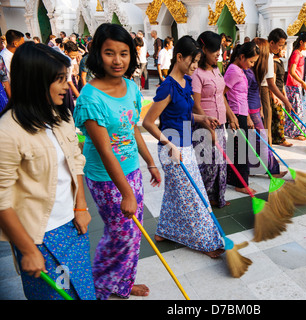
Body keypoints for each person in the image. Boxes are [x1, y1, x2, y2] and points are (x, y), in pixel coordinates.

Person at [0, 42, 96, 300]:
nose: (67, 85)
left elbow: (75, 160)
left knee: (83, 292)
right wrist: (28, 249)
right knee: (56, 296)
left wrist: (81, 207)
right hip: (39, 236)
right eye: (60, 79)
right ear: (36, 81)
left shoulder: (60, 115)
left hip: (73, 227)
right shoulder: (8, 132)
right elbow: (2, 200)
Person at [73, 23, 161, 300]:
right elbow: (105, 150)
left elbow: (133, 130)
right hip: (105, 178)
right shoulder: (90, 98)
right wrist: (126, 193)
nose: (118, 60)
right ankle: (99, 285)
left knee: (133, 233)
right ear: (98, 54)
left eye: (124, 53)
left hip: (131, 170)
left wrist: (150, 163)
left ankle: (121, 284)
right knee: (119, 235)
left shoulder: (131, 88)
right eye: (110, 53)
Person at [143, 35, 225, 258]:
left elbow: (184, 113)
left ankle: (164, 231)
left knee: (175, 193)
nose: (196, 66)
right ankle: (206, 242)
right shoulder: (167, 88)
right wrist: (169, 145)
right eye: (194, 61)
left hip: (186, 146)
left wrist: (202, 118)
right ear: (179, 57)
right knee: (194, 198)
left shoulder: (186, 82)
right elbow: (148, 123)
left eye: (198, 62)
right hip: (172, 150)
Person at [191, 31, 239, 208]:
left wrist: (231, 116)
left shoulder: (217, 69)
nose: (218, 54)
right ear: (203, 49)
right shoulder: (197, 73)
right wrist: (208, 128)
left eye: (219, 50)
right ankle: (200, 202)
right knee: (208, 166)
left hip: (219, 124)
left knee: (220, 164)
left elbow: (221, 96)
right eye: (214, 51)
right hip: (204, 126)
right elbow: (196, 105)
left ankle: (216, 198)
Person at [223, 41, 259, 195]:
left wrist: (249, 117)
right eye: (251, 61)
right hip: (236, 114)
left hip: (242, 113)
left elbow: (243, 96)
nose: (251, 65)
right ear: (242, 56)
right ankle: (241, 184)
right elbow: (221, 94)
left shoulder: (239, 70)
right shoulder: (233, 70)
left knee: (238, 149)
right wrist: (231, 116)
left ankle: (233, 179)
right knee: (241, 150)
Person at [245, 37, 284, 177]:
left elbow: (257, 90)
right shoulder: (248, 71)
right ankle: (272, 170)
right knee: (261, 139)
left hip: (255, 108)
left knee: (258, 139)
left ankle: (256, 168)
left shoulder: (255, 69)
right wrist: (248, 115)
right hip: (250, 110)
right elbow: (244, 94)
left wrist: (260, 106)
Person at [260, 28, 293, 146]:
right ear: (271, 42)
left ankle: (267, 154)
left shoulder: (268, 55)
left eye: (282, 46)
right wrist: (286, 100)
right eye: (279, 45)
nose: (280, 49)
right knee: (265, 124)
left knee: (266, 124)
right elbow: (271, 84)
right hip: (262, 91)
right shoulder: (268, 56)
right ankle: (266, 155)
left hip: (263, 90)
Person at [284, 31, 306, 139]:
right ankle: (294, 133)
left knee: (297, 108)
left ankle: (296, 130)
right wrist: (302, 82)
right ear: (301, 42)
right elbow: (292, 71)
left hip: (297, 85)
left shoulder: (300, 54)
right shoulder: (296, 53)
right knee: (295, 109)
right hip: (293, 85)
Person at [271, 44, 292, 146]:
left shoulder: (281, 62)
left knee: (279, 117)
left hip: (280, 92)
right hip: (275, 93)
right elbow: (273, 81)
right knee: (279, 117)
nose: (284, 52)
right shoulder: (273, 63)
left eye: (284, 50)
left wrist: (284, 93)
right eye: (282, 50)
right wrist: (274, 96)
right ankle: (280, 139)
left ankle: (277, 138)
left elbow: (281, 80)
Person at [63, 41, 80, 114]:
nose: (74, 58)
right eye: (73, 55)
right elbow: (69, 81)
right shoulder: (67, 61)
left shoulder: (62, 57)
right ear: (66, 52)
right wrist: (79, 97)